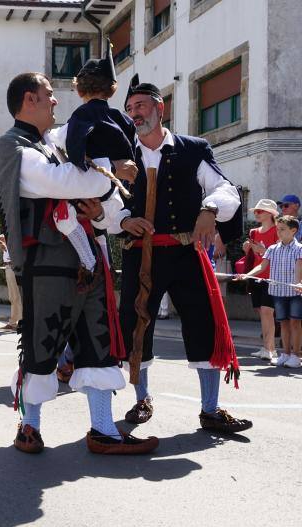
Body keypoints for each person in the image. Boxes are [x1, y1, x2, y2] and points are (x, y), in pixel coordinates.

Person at [0, 72, 155, 454]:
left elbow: (86, 200)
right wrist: (110, 174)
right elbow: (62, 182)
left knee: (98, 344)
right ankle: (29, 426)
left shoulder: (54, 144)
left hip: (86, 262)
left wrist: (99, 210)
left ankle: (103, 430)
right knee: (41, 346)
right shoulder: (11, 146)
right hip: (45, 265)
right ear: (29, 99)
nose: (56, 102)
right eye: (49, 95)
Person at [114, 76, 251, 433]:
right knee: (136, 326)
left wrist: (209, 209)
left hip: (186, 252)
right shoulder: (122, 153)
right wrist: (124, 219)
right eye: (129, 108)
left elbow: (226, 189)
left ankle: (210, 409)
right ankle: (141, 399)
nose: (134, 113)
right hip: (139, 255)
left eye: (141, 106)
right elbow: (104, 200)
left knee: (202, 325)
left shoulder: (193, 148)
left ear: (160, 109)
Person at [54, 40, 136, 281]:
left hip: (89, 181)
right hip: (114, 189)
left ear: (80, 89)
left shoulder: (81, 115)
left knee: (62, 217)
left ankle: (88, 259)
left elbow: (68, 141)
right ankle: (103, 262)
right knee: (101, 225)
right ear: (111, 88)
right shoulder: (122, 118)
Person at [239, 216, 302, 367]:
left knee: (295, 323)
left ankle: (296, 355)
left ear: (293, 231)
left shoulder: (299, 249)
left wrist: (299, 282)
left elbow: (299, 266)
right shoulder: (273, 249)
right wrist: (247, 275)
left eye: (282, 229)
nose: (279, 232)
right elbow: (262, 266)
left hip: (295, 292)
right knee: (284, 323)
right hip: (278, 291)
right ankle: (285, 353)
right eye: (278, 229)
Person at [241, 199, 279, 361]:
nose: (256, 213)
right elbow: (251, 256)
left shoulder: (278, 230)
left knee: (267, 312)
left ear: (270, 214)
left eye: (259, 211)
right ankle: (268, 347)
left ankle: (269, 349)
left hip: (272, 277)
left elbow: (280, 255)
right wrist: (247, 248)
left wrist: (262, 251)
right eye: (255, 211)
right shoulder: (254, 232)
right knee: (262, 312)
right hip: (256, 276)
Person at [0, 234, 21, 331]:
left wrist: (5, 247)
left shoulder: (14, 239)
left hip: (13, 267)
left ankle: (18, 322)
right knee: (13, 296)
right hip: (9, 267)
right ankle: (13, 322)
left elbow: (15, 254)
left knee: (16, 296)